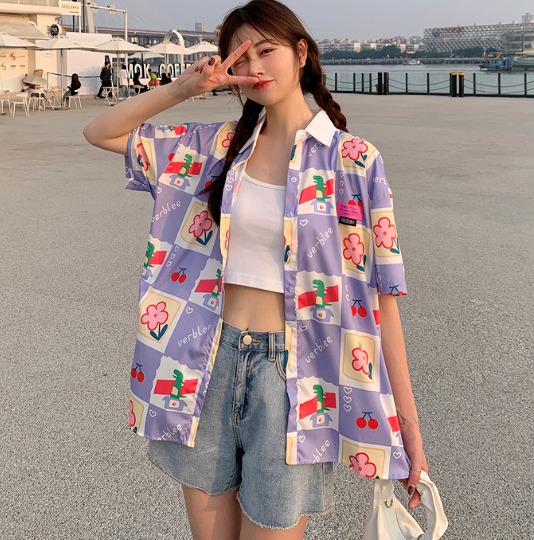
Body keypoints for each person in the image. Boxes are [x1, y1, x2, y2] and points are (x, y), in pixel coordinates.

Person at [83, 1, 427, 538]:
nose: (256, 67)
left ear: (300, 53)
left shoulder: (354, 161)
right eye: (241, 58)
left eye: (267, 50)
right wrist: (185, 88)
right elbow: (99, 131)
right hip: (207, 361)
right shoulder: (215, 148)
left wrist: (407, 423)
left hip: (295, 378)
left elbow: (384, 296)